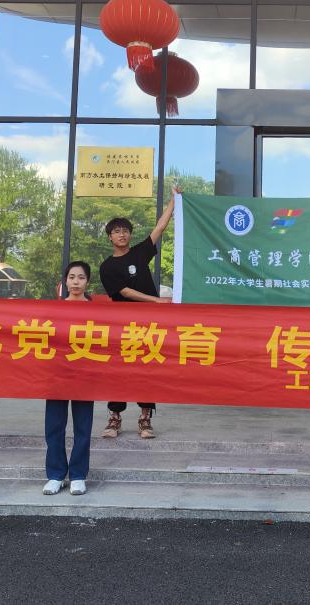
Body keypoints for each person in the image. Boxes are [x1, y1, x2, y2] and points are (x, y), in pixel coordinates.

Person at [99, 185, 181, 439]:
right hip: (122, 326)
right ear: (110, 237)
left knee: (147, 368)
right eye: (116, 231)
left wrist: (174, 200)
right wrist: (156, 300)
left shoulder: (139, 253)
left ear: (130, 234)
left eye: (125, 230)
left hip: (148, 324)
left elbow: (160, 228)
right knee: (119, 370)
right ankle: (114, 418)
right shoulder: (107, 267)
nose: (121, 234)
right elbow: (124, 292)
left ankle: (145, 419)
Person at [43, 261, 99, 496]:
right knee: (54, 426)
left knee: (83, 427)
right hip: (57, 373)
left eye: (81, 277)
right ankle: (55, 475)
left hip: (85, 374)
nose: (76, 282)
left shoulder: (98, 312)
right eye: (72, 277)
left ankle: (77, 475)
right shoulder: (54, 310)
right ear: (65, 281)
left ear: (88, 282)